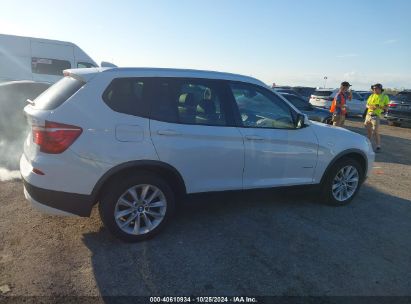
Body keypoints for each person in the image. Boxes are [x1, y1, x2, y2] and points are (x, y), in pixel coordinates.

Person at [364, 83, 389, 152]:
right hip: (368, 115)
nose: (374, 90)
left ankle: (378, 146)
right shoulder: (372, 95)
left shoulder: (385, 97)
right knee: (368, 131)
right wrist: (369, 107)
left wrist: (379, 107)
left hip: (376, 116)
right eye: (373, 89)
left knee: (375, 132)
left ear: (380, 89)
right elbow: (367, 104)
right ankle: (367, 145)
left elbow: (387, 108)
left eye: (375, 88)